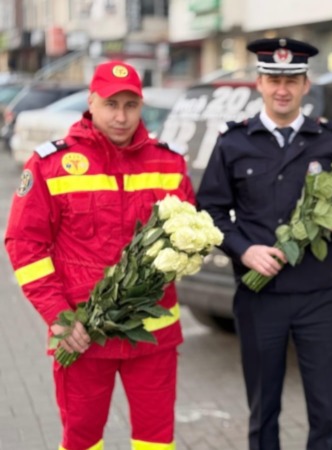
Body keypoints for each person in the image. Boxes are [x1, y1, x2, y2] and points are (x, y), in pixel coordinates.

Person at [5, 61, 195, 450]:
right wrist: (59, 316)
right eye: (111, 104)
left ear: (141, 106)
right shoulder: (51, 164)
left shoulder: (169, 162)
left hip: (153, 335)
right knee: (82, 440)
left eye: (130, 105)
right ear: (91, 102)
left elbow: (188, 233)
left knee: (156, 441)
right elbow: (24, 244)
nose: (121, 117)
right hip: (82, 334)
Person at [195, 37, 332, 450]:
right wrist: (244, 250)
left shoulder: (331, 142)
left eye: (291, 80)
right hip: (260, 296)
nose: (282, 89)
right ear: (259, 83)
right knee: (263, 409)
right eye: (273, 80)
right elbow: (210, 212)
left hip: (319, 294)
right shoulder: (234, 141)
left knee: (327, 411)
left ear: (305, 85)